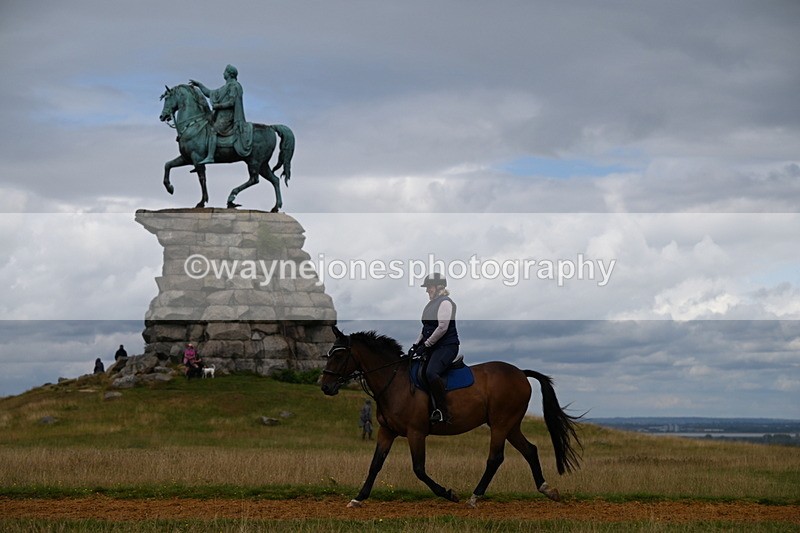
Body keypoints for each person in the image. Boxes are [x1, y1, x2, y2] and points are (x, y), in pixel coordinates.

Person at [409, 273, 460, 423]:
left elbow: (442, 327)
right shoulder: (431, 304)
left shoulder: (445, 303)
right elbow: (426, 328)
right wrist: (416, 344)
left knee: (431, 373)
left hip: (447, 347)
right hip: (434, 346)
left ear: (439, 287)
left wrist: (427, 344)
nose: (427, 290)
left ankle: (443, 411)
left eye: (429, 287)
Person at [189, 64, 253, 164]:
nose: (223, 73)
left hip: (228, 117)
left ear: (230, 74)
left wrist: (218, 106)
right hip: (220, 116)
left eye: (225, 71)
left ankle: (210, 156)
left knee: (213, 130)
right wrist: (200, 85)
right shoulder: (225, 87)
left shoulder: (234, 86)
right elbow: (209, 93)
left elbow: (232, 103)